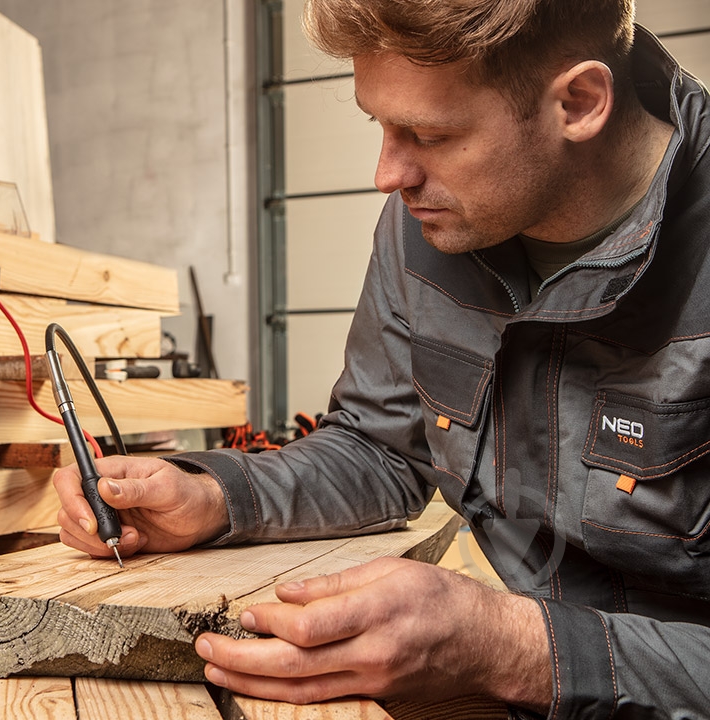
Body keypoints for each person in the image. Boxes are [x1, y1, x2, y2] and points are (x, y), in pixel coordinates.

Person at [53, 1, 710, 717]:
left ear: (578, 102)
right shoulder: (430, 223)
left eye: (429, 133)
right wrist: (215, 498)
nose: (388, 174)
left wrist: (511, 645)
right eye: (382, 125)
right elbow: (380, 449)